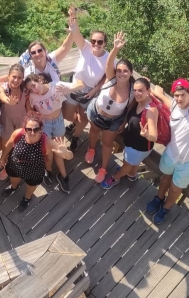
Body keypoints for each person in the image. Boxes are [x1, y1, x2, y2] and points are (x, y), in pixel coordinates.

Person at [146, 59, 189, 225]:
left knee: (176, 188)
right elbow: (166, 100)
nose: (179, 98)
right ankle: (159, 198)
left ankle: (166, 208)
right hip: (172, 153)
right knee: (165, 179)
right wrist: (156, 92)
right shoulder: (176, 104)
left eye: (183, 95)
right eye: (176, 95)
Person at [85, 31, 136, 184]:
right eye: (119, 70)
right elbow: (109, 63)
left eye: (125, 71)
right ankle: (91, 149)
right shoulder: (111, 78)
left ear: (131, 73)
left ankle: (103, 168)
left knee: (107, 144)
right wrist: (115, 49)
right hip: (96, 112)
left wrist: (123, 122)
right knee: (93, 131)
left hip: (113, 121)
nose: (121, 73)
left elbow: (129, 108)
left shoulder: (133, 90)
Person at [0, 114, 71, 212]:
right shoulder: (18, 134)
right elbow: (9, 145)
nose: (32, 132)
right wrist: (3, 157)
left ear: (41, 129)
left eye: (36, 129)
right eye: (29, 129)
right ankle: (13, 187)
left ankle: (27, 198)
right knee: (14, 180)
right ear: (24, 129)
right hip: (15, 165)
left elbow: (69, 156)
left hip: (34, 171)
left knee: (31, 186)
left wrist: (66, 152)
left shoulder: (46, 142)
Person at [25, 72, 83, 192]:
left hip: (58, 121)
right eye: (30, 88)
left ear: (40, 80)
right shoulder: (32, 96)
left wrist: (69, 88)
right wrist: (34, 115)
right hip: (45, 123)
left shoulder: (56, 86)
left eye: (34, 85)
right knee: (48, 151)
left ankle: (63, 176)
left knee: (59, 148)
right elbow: (29, 108)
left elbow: (81, 84)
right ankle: (49, 171)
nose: (33, 90)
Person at [100, 76, 158, 189]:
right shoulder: (139, 101)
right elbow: (131, 114)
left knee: (127, 164)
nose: (137, 93)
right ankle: (131, 174)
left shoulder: (151, 111)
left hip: (139, 147)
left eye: (140, 90)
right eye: (135, 90)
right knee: (132, 162)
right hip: (132, 141)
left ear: (148, 91)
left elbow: (154, 136)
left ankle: (115, 178)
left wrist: (147, 134)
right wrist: (123, 124)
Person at [62, 18, 109, 152]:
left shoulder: (108, 58)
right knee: (66, 114)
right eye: (94, 41)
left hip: (90, 91)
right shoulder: (86, 47)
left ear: (104, 43)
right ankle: (75, 124)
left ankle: (76, 136)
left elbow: (108, 75)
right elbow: (77, 34)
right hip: (75, 85)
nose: (96, 44)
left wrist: (95, 90)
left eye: (100, 42)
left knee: (84, 118)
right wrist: (74, 20)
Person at [0, 64, 27, 149]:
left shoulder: (24, 87)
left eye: (19, 77)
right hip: (7, 120)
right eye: (14, 77)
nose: (16, 80)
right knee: (6, 145)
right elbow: (2, 95)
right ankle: (4, 159)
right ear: (8, 76)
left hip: (21, 119)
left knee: (20, 144)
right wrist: (8, 101)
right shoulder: (4, 87)